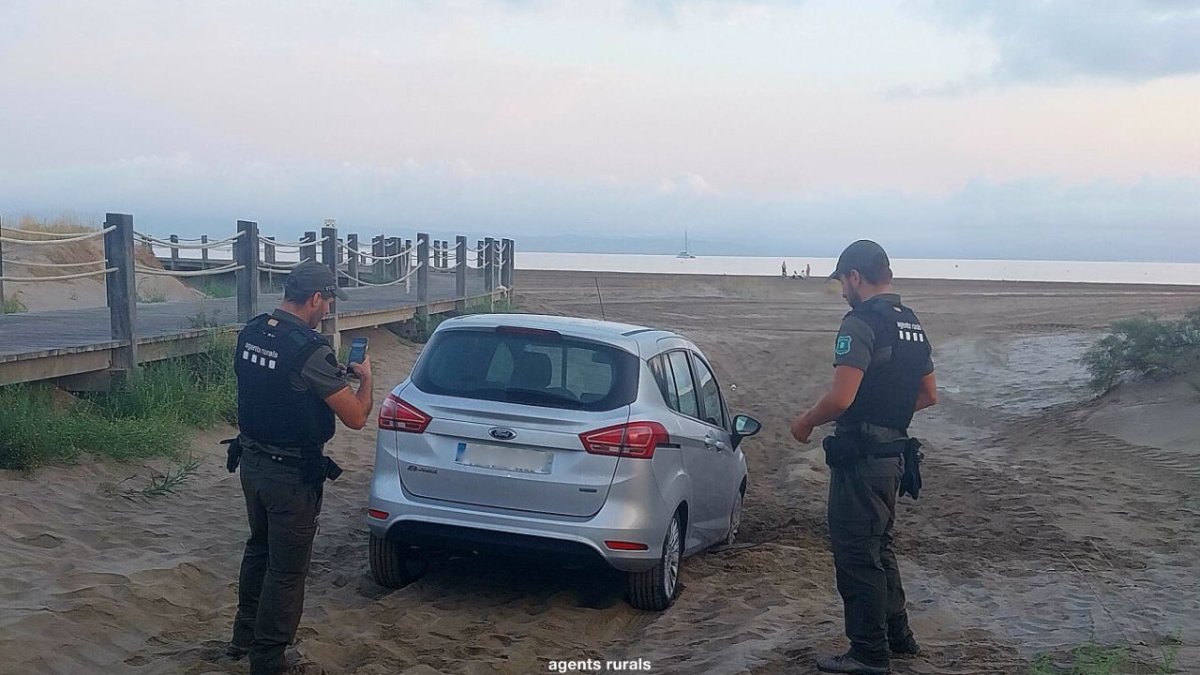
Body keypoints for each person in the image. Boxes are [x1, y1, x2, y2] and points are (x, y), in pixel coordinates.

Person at [790, 240, 938, 674]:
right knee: (881, 546)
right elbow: (929, 396)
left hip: (863, 458)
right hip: (895, 456)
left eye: (841, 281)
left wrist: (804, 423)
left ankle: (869, 653)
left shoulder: (860, 323)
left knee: (857, 554)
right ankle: (899, 637)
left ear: (855, 276)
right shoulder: (911, 323)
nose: (841, 292)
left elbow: (840, 398)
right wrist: (888, 413)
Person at [225, 260, 375, 675]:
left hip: (251, 462)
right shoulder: (310, 349)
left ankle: (243, 636)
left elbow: (272, 385)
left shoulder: (253, 330)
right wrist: (364, 379)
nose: (327, 308)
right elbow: (357, 418)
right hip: (290, 475)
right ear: (314, 298)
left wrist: (325, 377)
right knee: (287, 571)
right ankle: (270, 659)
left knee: (259, 548)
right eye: (327, 300)